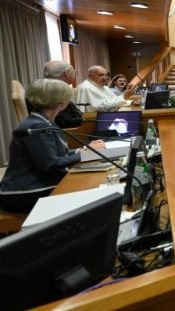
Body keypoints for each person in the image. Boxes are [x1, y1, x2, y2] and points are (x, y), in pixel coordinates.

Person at [0, 79, 104, 213]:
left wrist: (81, 150)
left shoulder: (42, 120)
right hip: (24, 193)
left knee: (90, 187)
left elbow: (53, 154)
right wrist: (85, 154)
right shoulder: (36, 125)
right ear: (60, 103)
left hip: (35, 186)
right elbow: (50, 164)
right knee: (90, 192)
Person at [38, 60, 83, 128]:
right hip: (63, 133)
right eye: (74, 72)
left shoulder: (42, 87)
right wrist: (86, 120)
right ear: (67, 73)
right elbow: (65, 122)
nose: (75, 74)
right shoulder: (52, 91)